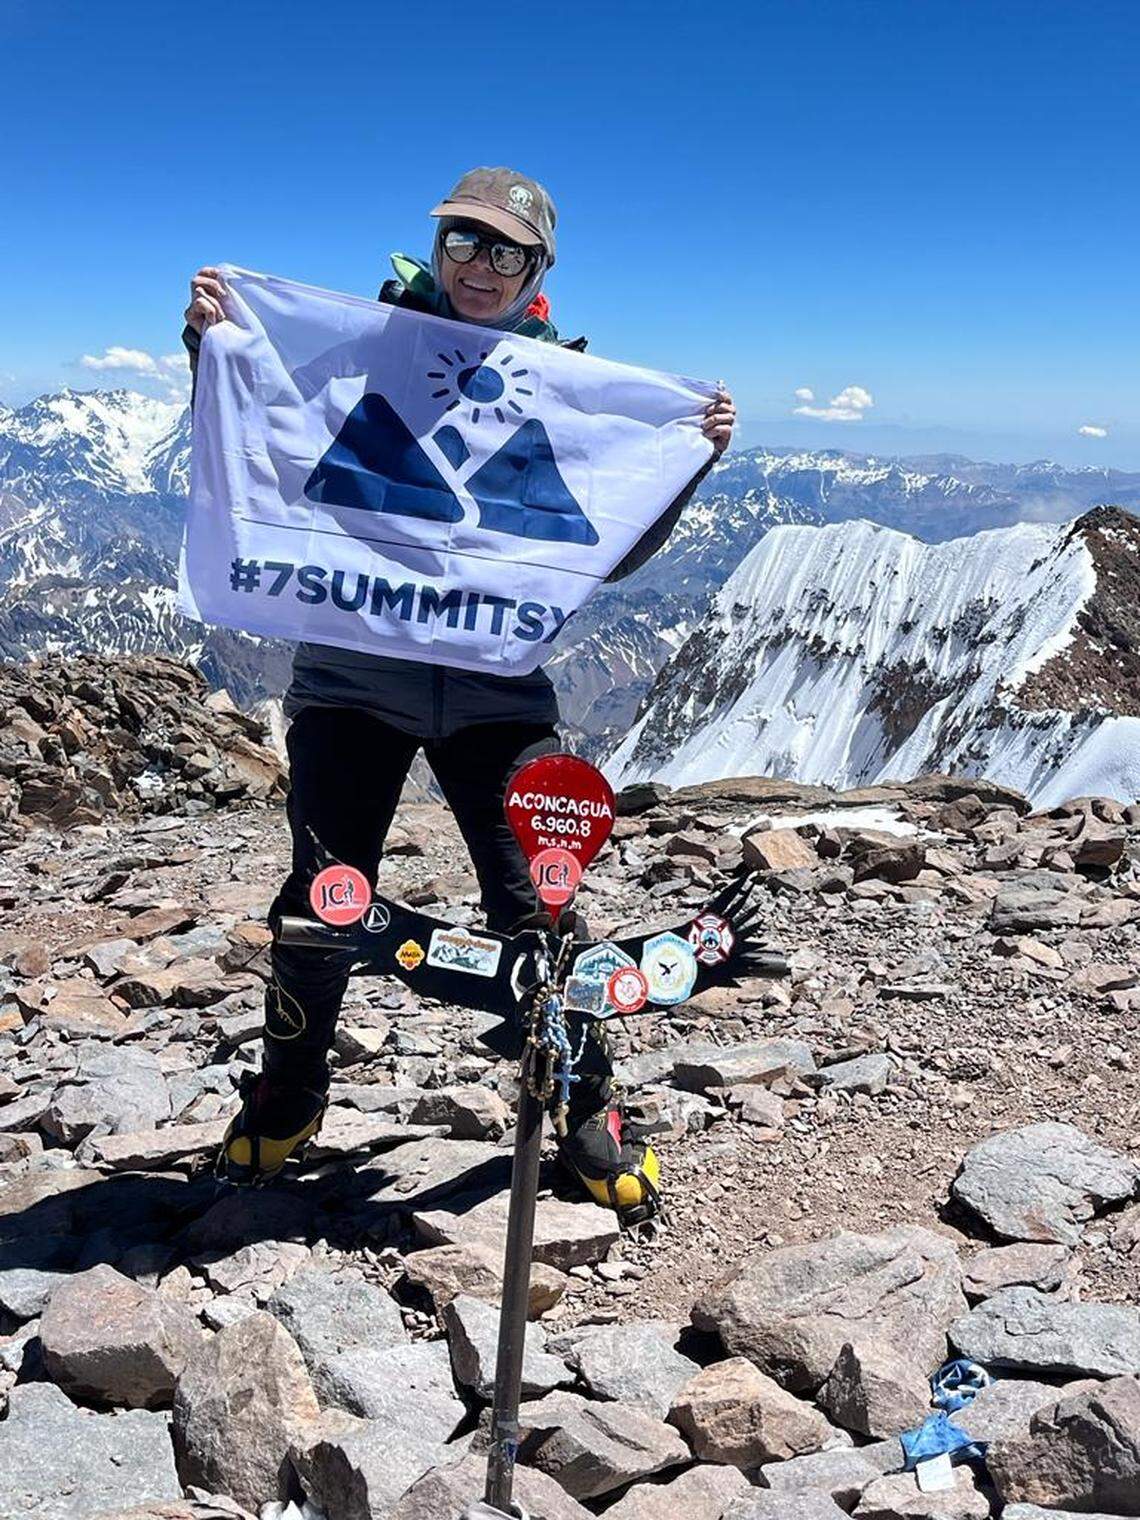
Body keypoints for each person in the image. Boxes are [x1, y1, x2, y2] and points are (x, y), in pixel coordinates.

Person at [183, 167, 736, 1221]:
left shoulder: (566, 388)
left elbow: (601, 555)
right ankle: (291, 1093)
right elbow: (263, 447)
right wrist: (214, 344)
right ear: (435, 248)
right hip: (352, 682)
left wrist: (685, 461)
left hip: (496, 695)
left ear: (538, 271)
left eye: (504, 251)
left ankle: (582, 1101)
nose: (477, 266)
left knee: (540, 905)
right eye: (461, 242)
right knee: (323, 894)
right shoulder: (356, 352)